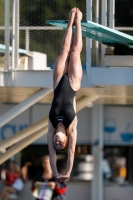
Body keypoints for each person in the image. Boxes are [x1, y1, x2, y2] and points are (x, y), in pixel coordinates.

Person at [47, 7, 83, 182]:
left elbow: (51, 155)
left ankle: (70, 20)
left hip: (57, 82)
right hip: (73, 83)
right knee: (75, 51)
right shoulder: (72, 128)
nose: (56, 143)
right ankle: (78, 22)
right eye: (60, 144)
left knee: (64, 50)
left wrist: (54, 172)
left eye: (55, 144)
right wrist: (67, 172)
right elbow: (71, 154)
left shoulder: (51, 126)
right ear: (66, 140)